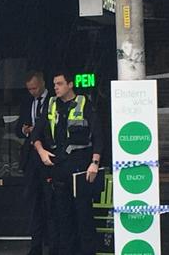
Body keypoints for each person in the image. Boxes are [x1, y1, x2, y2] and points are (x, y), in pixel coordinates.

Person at [31, 71, 103, 255]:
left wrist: (94, 162)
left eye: (59, 83)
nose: (55, 87)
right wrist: (41, 152)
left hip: (80, 166)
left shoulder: (84, 103)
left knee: (83, 215)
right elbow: (35, 134)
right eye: (54, 84)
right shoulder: (51, 104)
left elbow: (98, 136)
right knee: (62, 217)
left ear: (70, 85)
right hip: (59, 167)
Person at [15, 71, 56, 255]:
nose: (32, 92)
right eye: (29, 89)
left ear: (43, 84)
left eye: (35, 88)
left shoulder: (53, 101)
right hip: (31, 158)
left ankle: (53, 244)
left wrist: (38, 130)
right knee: (33, 203)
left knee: (52, 203)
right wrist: (25, 129)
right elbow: (17, 128)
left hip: (49, 157)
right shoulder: (27, 102)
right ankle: (35, 245)